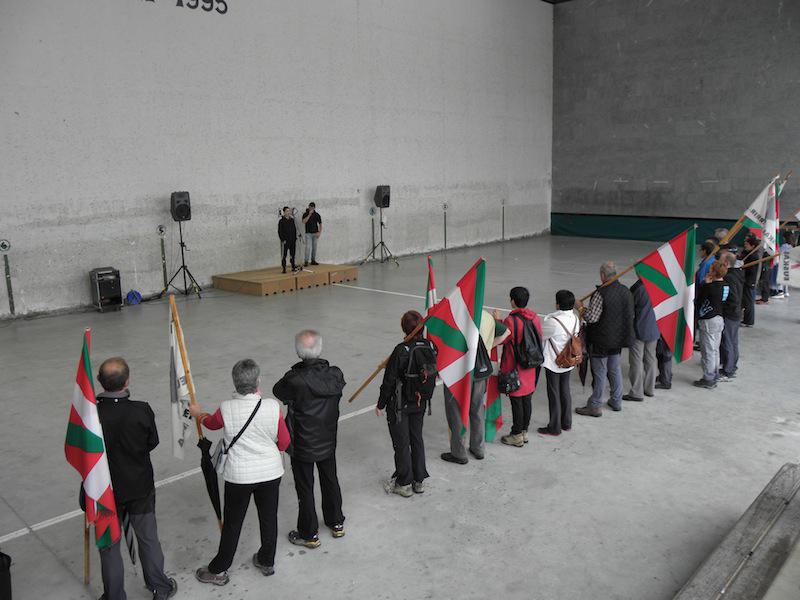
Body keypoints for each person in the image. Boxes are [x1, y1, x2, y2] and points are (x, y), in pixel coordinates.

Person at [189, 359, 290, 584]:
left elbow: (211, 424)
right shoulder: (272, 406)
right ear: (258, 381)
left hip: (239, 477)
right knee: (269, 518)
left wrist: (198, 413)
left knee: (233, 524)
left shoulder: (226, 408)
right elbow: (284, 442)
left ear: (234, 383)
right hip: (270, 474)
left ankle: (219, 569)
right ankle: (266, 560)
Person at [93, 357, 177, 600]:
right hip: (139, 488)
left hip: (103, 491)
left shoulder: (91, 416)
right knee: (148, 539)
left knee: (108, 547)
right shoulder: (141, 410)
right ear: (127, 381)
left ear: (99, 381)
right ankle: (160, 587)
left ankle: (114, 596)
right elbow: (152, 442)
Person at [273, 330, 346, 549]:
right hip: (328, 438)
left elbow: (278, 391)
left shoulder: (294, 380)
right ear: (320, 349)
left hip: (302, 443)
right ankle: (336, 522)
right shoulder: (335, 375)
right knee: (330, 480)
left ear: (298, 352)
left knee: (305, 488)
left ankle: (309, 533)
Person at [376, 310, 437, 497]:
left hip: (400, 405)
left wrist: (381, 404)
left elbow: (389, 381)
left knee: (402, 443)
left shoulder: (401, 350)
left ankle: (403, 483)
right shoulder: (431, 346)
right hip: (421, 401)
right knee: (416, 439)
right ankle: (419, 481)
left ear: (404, 328)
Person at [441, 309, 509, 463]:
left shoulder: (457, 315)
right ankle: (478, 448)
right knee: (477, 409)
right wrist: (488, 347)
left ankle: (458, 452)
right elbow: (506, 332)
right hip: (480, 369)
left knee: (456, 412)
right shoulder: (486, 316)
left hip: (458, 372)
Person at [576, 262, 635, 417]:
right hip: (618, 339)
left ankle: (595, 405)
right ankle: (616, 400)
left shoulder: (600, 293)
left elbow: (592, 318)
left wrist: (580, 308)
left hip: (601, 340)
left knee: (600, 372)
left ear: (602, 275)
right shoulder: (626, 291)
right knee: (614, 369)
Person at [498, 286, 542, 447]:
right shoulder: (534, 317)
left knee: (516, 401)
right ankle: (524, 431)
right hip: (530, 365)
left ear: (513, 301)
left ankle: (516, 434)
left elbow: (503, 338)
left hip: (515, 365)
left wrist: (497, 322)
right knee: (527, 399)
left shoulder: (511, 321)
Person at [538, 290, 580, 436]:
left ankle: (554, 427)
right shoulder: (575, 319)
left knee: (554, 394)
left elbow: (540, 335)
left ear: (557, 304)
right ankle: (566, 423)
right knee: (565, 390)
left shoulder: (553, 322)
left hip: (553, 362)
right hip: (569, 360)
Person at [623, 279, 660, 402]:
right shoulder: (658, 285)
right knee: (651, 358)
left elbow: (630, 308)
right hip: (654, 328)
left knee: (636, 361)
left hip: (639, 329)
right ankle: (650, 388)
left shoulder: (639, 289)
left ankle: (636, 392)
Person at [694, 262, 729, 389]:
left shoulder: (709, 287)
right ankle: (714, 374)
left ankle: (708, 378)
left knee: (707, 351)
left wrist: (705, 284)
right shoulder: (726, 286)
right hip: (719, 318)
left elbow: (699, 300)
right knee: (715, 349)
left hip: (708, 320)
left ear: (713, 273)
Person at [719, 251, 743, 380]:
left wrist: (723, 308)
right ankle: (732, 365)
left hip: (730, 314)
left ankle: (728, 370)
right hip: (736, 312)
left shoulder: (729, 278)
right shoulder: (737, 274)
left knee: (728, 341)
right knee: (733, 341)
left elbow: (732, 298)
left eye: (721, 260)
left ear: (726, 263)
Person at [740, 235, 759, 326]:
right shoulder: (747, 253)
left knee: (749, 302)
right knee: (745, 301)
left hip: (749, 281)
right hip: (745, 281)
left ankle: (749, 321)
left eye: (747, 244)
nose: (745, 245)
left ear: (753, 246)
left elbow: (751, 271)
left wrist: (742, 267)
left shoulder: (753, 256)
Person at [278, 207, 300, 274]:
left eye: (289, 211)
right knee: (284, 255)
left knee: (292, 254)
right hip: (285, 241)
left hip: (292, 240)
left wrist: (295, 238)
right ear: (284, 212)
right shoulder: (281, 221)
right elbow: (280, 231)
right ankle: (284, 268)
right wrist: (283, 239)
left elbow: (294, 229)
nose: (288, 212)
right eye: (287, 211)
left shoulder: (292, 220)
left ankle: (293, 266)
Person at [302, 202, 322, 266]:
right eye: (310, 207)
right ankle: (306, 261)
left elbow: (320, 224)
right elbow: (303, 222)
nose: (311, 208)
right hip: (308, 234)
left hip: (315, 234)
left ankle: (313, 260)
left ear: (314, 208)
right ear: (308, 207)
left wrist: (319, 232)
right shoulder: (305, 214)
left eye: (312, 207)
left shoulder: (317, 215)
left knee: (314, 248)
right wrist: (309, 214)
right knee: (308, 247)